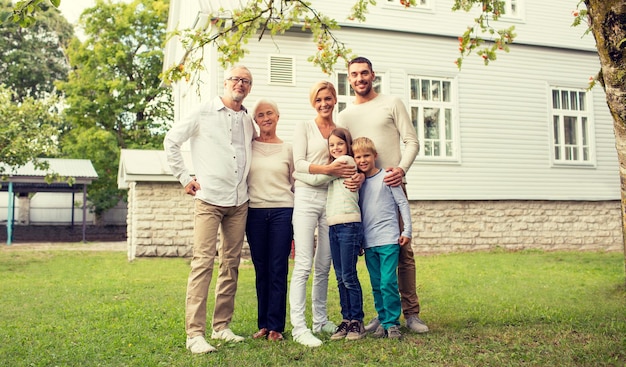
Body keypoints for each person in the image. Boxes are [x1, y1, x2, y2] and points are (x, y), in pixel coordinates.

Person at [163, 65, 256, 354]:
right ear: (225, 82)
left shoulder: (248, 120)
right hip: (209, 199)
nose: (239, 84)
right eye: (235, 79)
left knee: (231, 265)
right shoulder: (203, 112)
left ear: (249, 88)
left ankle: (222, 327)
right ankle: (194, 334)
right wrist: (184, 176)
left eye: (246, 81)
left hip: (239, 202)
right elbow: (171, 141)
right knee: (203, 263)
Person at [337, 56, 429, 334]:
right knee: (372, 253)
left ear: (373, 75)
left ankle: (411, 313)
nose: (359, 78)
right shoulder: (344, 116)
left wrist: (400, 169)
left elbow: (412, 141)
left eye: (364, 73)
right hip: (361, 193)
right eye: (354, 74)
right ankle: (382, 314)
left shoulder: (392, 103)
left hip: (391, 186)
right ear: (349, 78)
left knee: (402, 250)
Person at [290, 81, 358, 347]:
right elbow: (298, 164)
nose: (324, 104)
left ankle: (320, 320)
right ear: (313, 102)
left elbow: (352, 160)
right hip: (307, 198)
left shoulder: (341, 131)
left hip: (333, 201)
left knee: (324, 265)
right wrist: (328, 170)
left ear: (335, 99)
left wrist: (358, 177)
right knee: (304, 264)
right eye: (319, 100)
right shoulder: (304, 127)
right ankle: (299, 327)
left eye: (328, 98)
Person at [293, 127, 366, 341]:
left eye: (339, 144)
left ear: (348, 146)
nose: (335, 148)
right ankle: (346, 320)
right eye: (331, 145)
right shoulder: (336, 164)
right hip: (334, 223)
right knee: (341, 275)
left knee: (349, 276)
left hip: (348, 223)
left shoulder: (345, 162)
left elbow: (317, 180)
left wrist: (297, 172)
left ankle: (356, 321)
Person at [353, 137, 411, 339]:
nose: (362, 160)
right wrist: (360, 240)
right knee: (377, 284)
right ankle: (383, 319)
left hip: (388, 239)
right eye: (358, 157)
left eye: (366, 155)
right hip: (369, 242)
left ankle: (392, 323)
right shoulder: (358, 184)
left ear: (374, 156)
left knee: (388, 282)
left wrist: (407, 231)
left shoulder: (387, 177)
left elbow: (402, 204)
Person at [246, 99, 294, 342]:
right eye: (260, 115)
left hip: (282, 212)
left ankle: (276, 327)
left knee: (278, 269)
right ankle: (263, 324)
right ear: (255, 120)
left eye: (269, 113)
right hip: (254, 213)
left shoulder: (288, 149)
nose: (265, 118)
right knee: (261, 269)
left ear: (277, 116)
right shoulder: (249, 147)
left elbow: (295, 184)